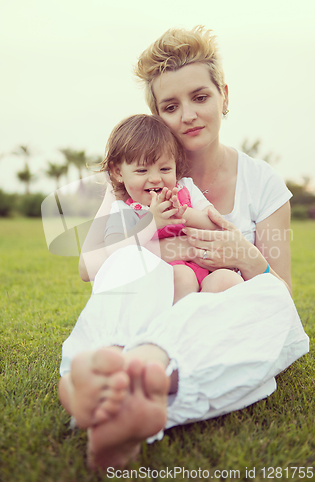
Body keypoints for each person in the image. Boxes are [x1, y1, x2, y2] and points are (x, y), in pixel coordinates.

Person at [58, 26, 309, 470]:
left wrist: (245, 256)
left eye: (200, 97)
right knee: (128, 262)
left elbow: (282, 296)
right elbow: (91, 267)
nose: (189, 115)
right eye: (171, 106)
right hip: (145, 314)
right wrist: (149, 242)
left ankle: (131, 386)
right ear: (156, 115)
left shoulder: (263, 183)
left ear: (223, 96)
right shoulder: (130, 185)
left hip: (219, 320)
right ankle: (130, 378)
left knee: (263, 297)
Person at [101, 114, 243, 303]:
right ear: (118, 172)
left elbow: (217, 224)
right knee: (181, 276)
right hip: (157, 285)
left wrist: (184, 212)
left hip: (205, 274)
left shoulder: (186, 188)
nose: (155, 178)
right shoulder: (123, 210)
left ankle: (216, 327)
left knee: (228, 279)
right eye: (142, 170)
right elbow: (114, 250)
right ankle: (179, 329)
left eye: (165, 169)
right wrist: (151, 222)